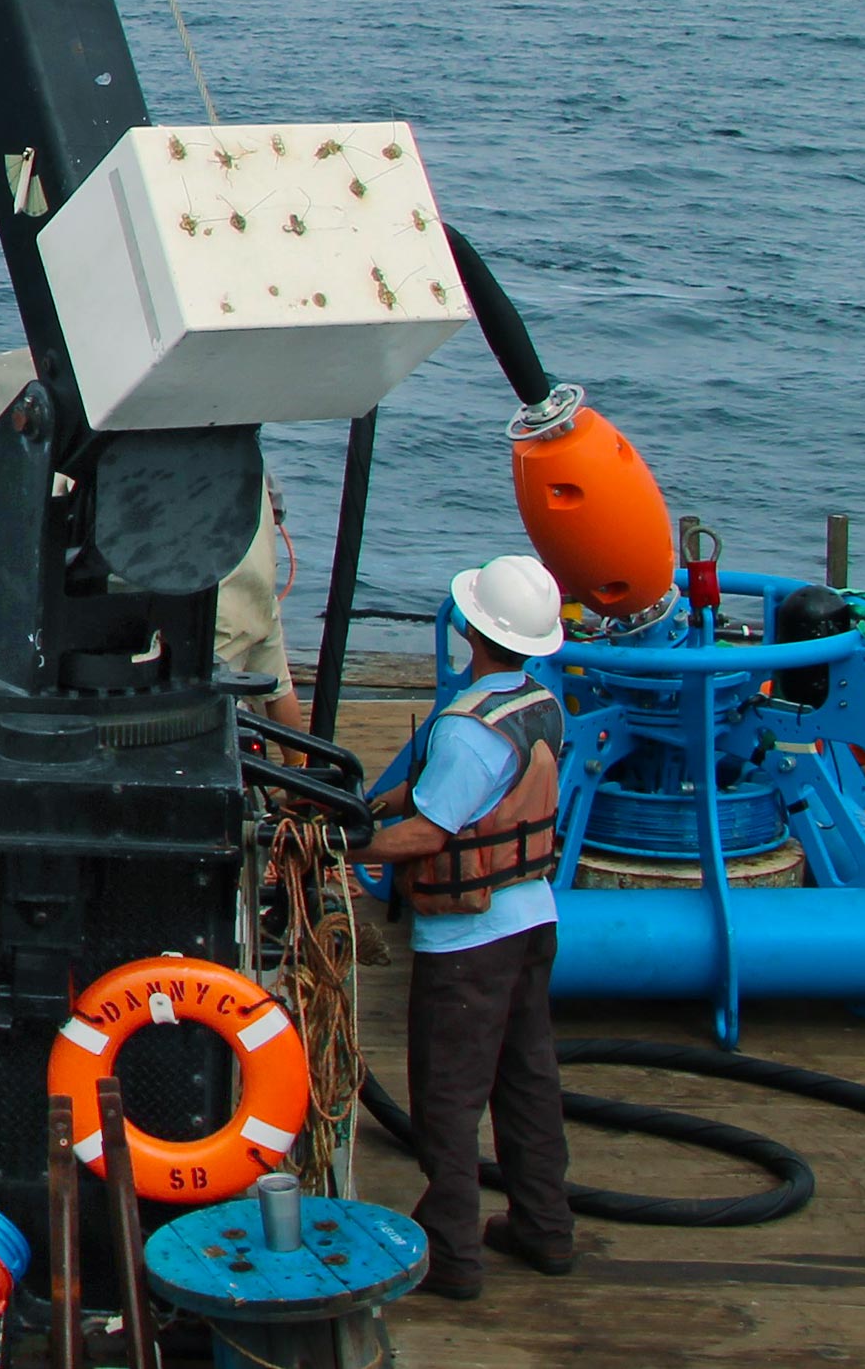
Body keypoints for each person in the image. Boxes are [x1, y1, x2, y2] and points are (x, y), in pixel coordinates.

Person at [352, 551, 578, 1298]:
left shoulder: (463, 727)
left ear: (472, 632)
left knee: (447, 1101)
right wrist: (383, 802)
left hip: (467, 941)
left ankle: (452, 1252)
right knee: (527, 1082)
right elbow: (475, 797)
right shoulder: (542, 704)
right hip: (533, 918)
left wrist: (337, 843)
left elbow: (428, 835)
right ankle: (545, 1228)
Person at [215, 473, 309, 736]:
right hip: (256, 588)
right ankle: (298, 765)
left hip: (215, 599)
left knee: (208, 695)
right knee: (277, 687)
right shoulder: (246, 449)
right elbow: (277, 508)